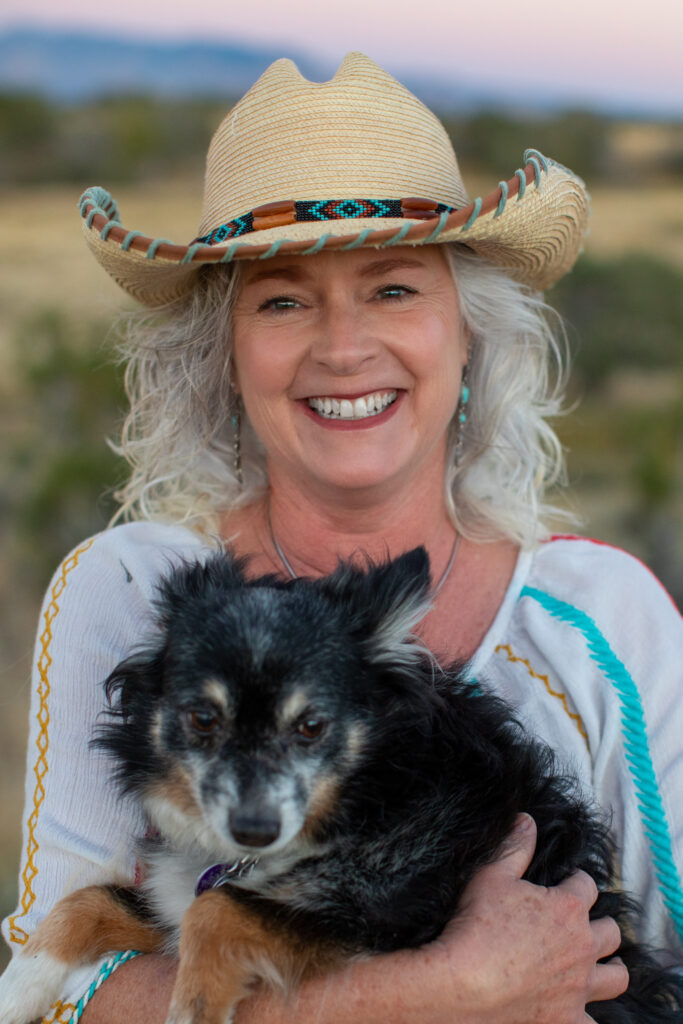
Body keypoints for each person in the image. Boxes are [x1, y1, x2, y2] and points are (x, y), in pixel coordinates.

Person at [3, 52, 682, 1024]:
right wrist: (441, 991)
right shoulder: (132, 587)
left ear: (467, 334)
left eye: (392, 288)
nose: (343, 346)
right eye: (282, 299)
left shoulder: (601, 619)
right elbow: (54, 1001)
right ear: (223, 355)